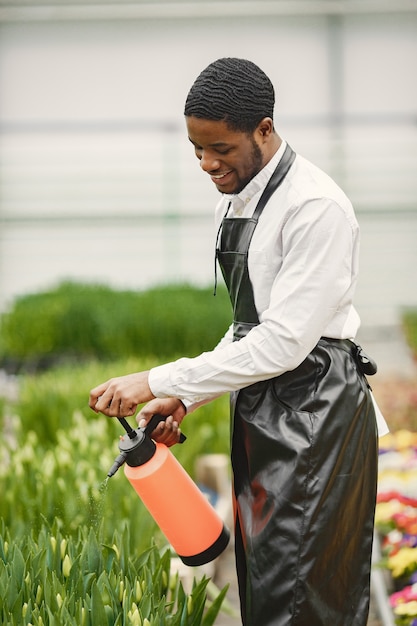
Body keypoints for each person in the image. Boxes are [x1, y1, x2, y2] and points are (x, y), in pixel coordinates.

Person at [89, 58, 387, 626]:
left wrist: (157, 380)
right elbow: (249, 321)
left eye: (220, 147)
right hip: (265, 407)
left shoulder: (314, 207)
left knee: (303, 592)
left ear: (264, 129)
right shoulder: (240, 196)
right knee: (267, 582)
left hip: (313, 410)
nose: (207, 163)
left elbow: (283, 343)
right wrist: (188, 398)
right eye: (196, 148)